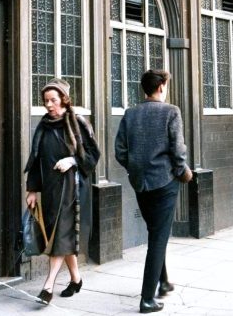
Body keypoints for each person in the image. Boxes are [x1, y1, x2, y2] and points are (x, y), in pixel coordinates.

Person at [115, 69, 193, 314]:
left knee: (154, 232)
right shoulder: (171, 111)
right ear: (161, 86)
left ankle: (164, 281)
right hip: (165, 182)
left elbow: (120, 151)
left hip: (140, 183)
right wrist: (181, 172)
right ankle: (147, 299)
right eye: (166, 84)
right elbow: (178, 149)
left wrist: (136, 168)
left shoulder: (131, 114)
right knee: (158, 239)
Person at [24, 78, 101, 304]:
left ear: (65, 101)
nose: (49, 105)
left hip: (73, 189)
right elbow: (36, 160)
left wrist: (72, 160)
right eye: (46, 100)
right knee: (62, 236)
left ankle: (48, 287)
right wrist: (32, 190)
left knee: (60, 235)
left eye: (53, 100)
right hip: (51, 190)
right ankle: (76, 279)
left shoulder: (78, 122)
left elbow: (93, 154)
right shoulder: (43, 126)